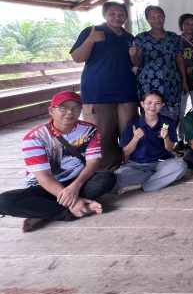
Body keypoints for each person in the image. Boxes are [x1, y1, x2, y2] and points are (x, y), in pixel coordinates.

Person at [0, 91, 116, 232]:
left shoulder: (89, 130)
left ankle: (44, 212)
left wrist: (75, 186)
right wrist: (73, 200)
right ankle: (73, 209)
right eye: (63, 108)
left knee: (107, 179)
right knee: (4, 201)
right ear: (51, 111)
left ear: (81, 110)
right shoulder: (35, 137)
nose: (70, 112)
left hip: (75, 180)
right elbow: (44, 176)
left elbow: (93, 162)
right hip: (44, 186)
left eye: (75, 108)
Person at [70, 1, 137, 170]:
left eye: (121, 14)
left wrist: (135, 56)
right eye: (112, 14)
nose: (117, 17)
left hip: (127, 92)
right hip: (97, 92)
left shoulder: (129, 38)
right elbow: (77, 58)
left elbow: (136, 63)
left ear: (126, 16)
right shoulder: (91, 32)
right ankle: (105, 172)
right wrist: (90, 40)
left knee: (130, 132)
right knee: (102, 135)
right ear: (104, 15)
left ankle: (132, 168)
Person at [115, 91, 188, 194]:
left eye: (157, 103)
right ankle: (159, 178)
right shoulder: (133, 123)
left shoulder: (167, 122)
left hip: (162, 163)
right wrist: (135, 139)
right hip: (138, 165)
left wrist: (166, 137)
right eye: (149, 103)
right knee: (119, 176)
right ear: (142, 104)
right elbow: (127, 152)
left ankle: (140, 186)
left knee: (181, 165)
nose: (152, 107)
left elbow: (169, 149)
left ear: (162, 105)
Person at [131, 5, 188, 125]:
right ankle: (151, 137)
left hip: (172, 81)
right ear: (147, 19)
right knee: (151, 115)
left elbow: (179, 59)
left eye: (159, 16)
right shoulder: (141, 37)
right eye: (152, 17)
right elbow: (137, 62)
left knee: (172, 116)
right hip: (148, 83)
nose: (157, 20)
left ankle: (170, 135)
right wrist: (133, 55)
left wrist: (184, 80)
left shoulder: (174, 37)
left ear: (164, 17)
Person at [178, 13, 193, 146]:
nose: (190, 26)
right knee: (180, 112)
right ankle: (181, 138)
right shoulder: (175, 41)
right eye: (187, 23)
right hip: (180, 82)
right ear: (181, 25)